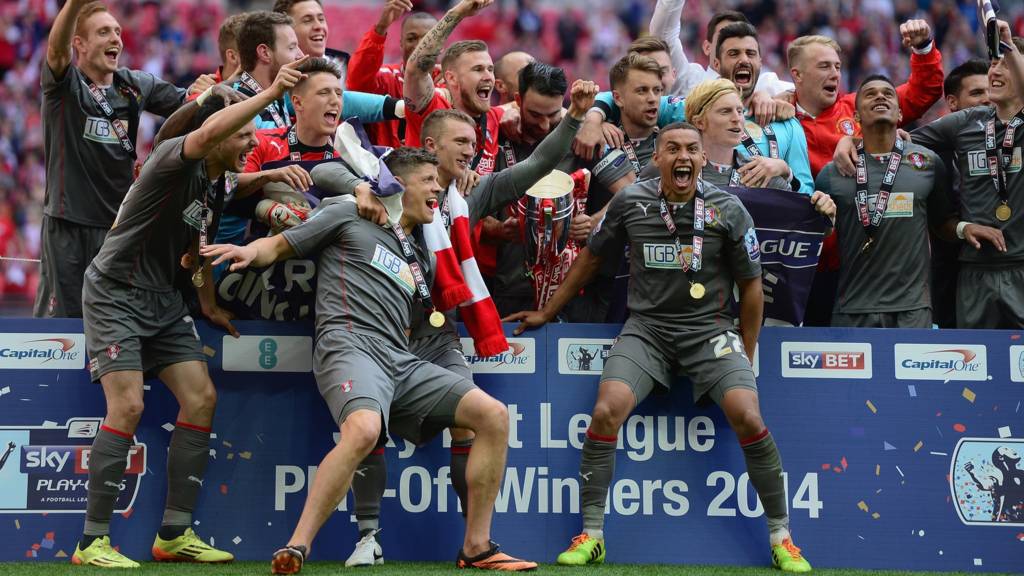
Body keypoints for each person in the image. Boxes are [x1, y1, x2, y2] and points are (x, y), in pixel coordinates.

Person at [201, 147, 538, 573]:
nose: (438, 188)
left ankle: (476, 547)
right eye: (428, 181)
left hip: (400, 357)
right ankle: (297, 546)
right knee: (362, 429)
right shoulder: (348, 213)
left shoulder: (419, 255)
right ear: (398, 185)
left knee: (492, 415)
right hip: (349, 345)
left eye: (439, 183)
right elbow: (282, 243)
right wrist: (252, 252)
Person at [505, 122, 815, 573]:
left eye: (691, 149)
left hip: (710, 331)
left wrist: (746, 354)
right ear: (658, 158)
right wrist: (548, 312)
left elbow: (751, 288)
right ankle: (591, 535)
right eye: (672, 149)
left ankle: (782, 537)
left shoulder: (729, 209)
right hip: (646, 329)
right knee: (606, 410)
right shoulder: (631, 202)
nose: (682, 157)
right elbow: (591, 257)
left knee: (748, 414)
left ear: (703, 159)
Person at [311, 80, 594, 567]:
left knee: (472, 425)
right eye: (461, 143)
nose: (473, 150)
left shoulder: (469, 198)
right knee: (371, 430)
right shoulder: (385, 183)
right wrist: (362, 188)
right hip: (380, 332)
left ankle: (476, 542)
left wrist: (572, 119)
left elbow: (534, 167)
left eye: (475, 142)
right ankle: (368, 538)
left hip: (437, 336)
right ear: (430, 146)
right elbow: (324, 167)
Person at [72, 55, 306, 569]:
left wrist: (208, 305)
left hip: (163, 301)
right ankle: (91, 542)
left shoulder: (217, 184)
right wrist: (268, 95)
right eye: (243, 134)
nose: (251, 144)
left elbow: (195, 252)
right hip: (115, 291)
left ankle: (173, 535)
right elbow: (209, 131)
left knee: (201, 399)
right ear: (215, 132)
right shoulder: (175, 155)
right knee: (127, 406)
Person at [835, 24, 1022, 329]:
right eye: (993, 64)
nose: (994, 75)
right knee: (976, 364)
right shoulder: (967, 123)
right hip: (970, 267)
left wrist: (1008, 45)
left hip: (1020, 264)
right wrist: (851, 140)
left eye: (1005, 64)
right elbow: (890, 142)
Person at [35, 0, 187, 318]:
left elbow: (189, 104)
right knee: (63, 325)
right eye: (103, 32)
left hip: (120, 229)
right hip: (69, 225)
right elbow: (56, 51)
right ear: (80, 44)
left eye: (117, 31)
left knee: (116, 319)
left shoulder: (134, 85)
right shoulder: (65, 86)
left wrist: (210, 90)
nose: (115, 38)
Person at [788, 21, 944, 327]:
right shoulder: (779, 118)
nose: (835, 73)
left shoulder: (858, 109)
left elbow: (921, 91)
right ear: (797, 75)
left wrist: (923, 48)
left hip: (858, 267)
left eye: (837, 66)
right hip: (805, 264)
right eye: (824, 66)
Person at [816, 75, 957, 328]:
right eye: (870, 94)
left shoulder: (928, 163)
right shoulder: (832, 173)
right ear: (856, 117)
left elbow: (942, 222)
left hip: (913, 309)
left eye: (888, 94)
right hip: (853, 308)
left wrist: (967, 229)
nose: (880, 96)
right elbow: (818, 234)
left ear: (900, 114)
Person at [488, 62, 586, 317]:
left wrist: (593, 221)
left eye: (552, 115)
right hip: (508, 286)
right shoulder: (495, 135)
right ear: (517, 100)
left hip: (570, 290)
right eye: (535, 114)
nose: (544, 125)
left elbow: (628, 190)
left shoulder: (582, 137)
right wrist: (497, 229)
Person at [403, 0, 501, 173]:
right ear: (452, 78)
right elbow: (415, 70)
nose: (488, 77)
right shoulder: (432, 108)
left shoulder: (496, 118)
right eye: (478, 69)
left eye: (490, 69)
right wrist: (456, 14)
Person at [931, 59, 991, 328]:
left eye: (991, 91)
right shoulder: (929, 154)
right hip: (949, 271)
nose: (987, 100)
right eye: (977, 93)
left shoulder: (1011, 140)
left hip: (1004, 265)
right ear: (953, 103)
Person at [649, 2, 793, 98]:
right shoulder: (689, 81)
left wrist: (781, 100)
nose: (734, 43)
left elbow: (807, 93)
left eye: (742, 38)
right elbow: (663, 34)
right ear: (707, 47)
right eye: (725, 36)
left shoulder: (764, 86)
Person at [346, 0, 440, 147]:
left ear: (441, 46)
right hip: (387, 167)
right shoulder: (386, 78)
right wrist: (380, 29)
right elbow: (357, 81)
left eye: (428, 38)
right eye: (411, 38)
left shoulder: (450, 83)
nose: (419, 46)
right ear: (401, 43)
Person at [686, 79, 793, 191]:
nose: (737, 119)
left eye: (740, 111)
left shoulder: (760, 173)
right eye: (725, 111)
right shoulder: (680, 172)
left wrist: (787, 172)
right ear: (699, 122)